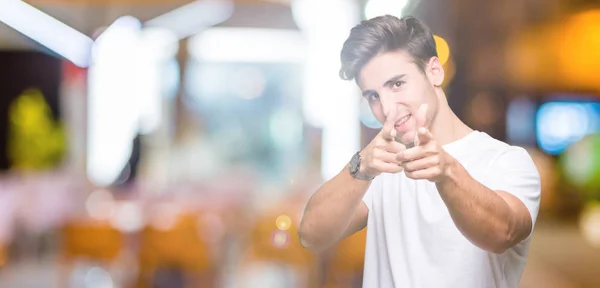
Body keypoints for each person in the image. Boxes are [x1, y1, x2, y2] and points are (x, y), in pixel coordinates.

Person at [298, 15, 541, 288]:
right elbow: (311, 235)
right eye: (373, 96)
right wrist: (361, 167)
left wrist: (446, 172)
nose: (387, 108)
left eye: (397, 84)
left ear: (434, 71)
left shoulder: (505, 161)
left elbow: (503, 233)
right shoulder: (378, 169)